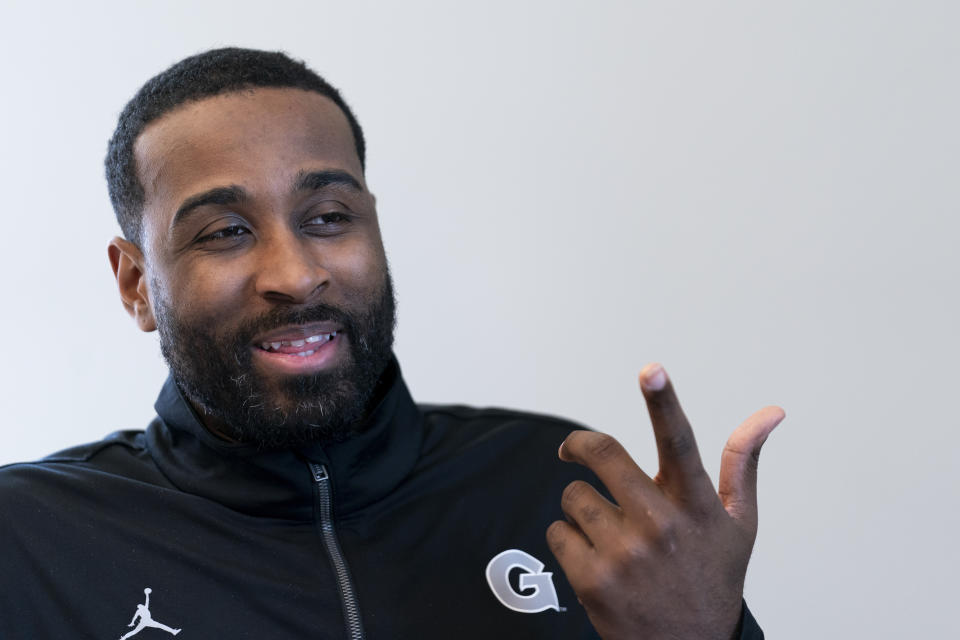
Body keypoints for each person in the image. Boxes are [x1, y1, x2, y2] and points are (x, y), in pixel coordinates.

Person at [0, 48, 783, 639]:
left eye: (329, 217)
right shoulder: (28, 544)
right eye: (226, 232)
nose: (297, 273)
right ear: (136, 283)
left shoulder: (567, 495)